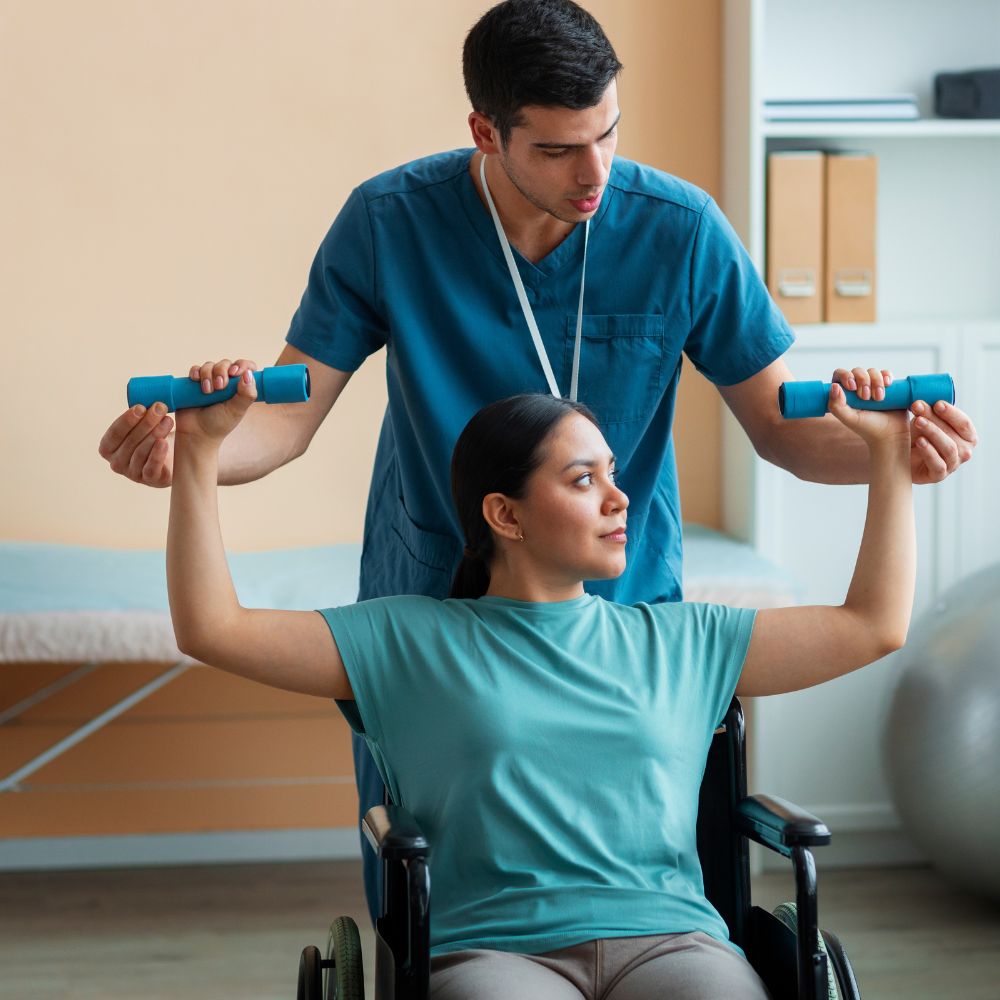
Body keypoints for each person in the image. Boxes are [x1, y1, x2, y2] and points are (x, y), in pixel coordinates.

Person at [98, 0, 977, 919]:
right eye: (558, 150)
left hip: (618, 614)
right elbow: (286, 418)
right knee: (434, 880)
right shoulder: (391, 221)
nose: (596, 172)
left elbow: (785, 428)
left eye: (608, 135)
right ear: (486, 131)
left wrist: (895, 461)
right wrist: (193, 456)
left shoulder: (678, 229)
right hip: (438, 611)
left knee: (642, 864)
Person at [165, 372, 915, 999]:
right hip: (491, 954)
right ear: (505, 514)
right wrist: (199, 454)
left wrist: (889, 456)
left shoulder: (685, 639)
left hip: (673, 941)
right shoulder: (404, 639)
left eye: (613, 474)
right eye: (584, 479)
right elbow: (213, 628)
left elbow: (873, 624)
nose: (619, 498)